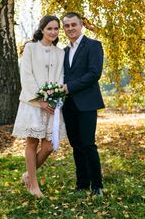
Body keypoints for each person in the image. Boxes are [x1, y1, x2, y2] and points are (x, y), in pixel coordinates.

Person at [12, 15, 66, 198]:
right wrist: (40, 100)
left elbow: (60, 77)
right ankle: (34, 186)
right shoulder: (31, 48)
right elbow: (26, 76)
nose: (53, 32)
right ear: (42, 29)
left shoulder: (60, 53)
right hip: (33, 103)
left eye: (56, 29)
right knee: (32, 142)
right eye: (49, 28)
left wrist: (54, 98)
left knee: (49, 145)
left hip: (52, 106)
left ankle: (28, 174)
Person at [62, 12, 104, 197]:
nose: (70, 28)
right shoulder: (63, 51)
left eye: (73, 25)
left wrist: (68, 87)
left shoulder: (94, 46)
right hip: (68, 105)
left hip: (86, 103)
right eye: (67, 26)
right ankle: (82, 184)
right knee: (76, 145)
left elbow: (94, 73)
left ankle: (97, 185)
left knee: (88, 144)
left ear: (81, 26)